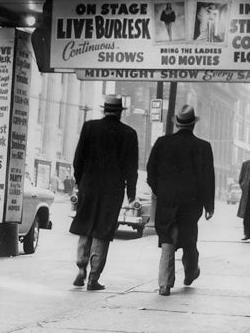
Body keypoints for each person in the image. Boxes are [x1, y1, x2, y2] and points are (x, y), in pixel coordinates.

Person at [69, 94, 139, 291]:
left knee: (85, 226)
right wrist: (131, 192)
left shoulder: (89, 128)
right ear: (120, 112)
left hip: (89, 186)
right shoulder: (129, 133)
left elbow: (78, 159)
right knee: (102, 230)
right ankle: (93, 277)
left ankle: (81, 267)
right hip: (112, 190)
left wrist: (81, 181)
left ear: (104, 109)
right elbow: (131, 168)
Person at [146, 105, 215, 296]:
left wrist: (160, 191)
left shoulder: (162, 143)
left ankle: (164, 284)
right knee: (189, 239)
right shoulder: (203, 147)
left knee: (167, 238)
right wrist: (209, 205)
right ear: (193, 124)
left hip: (167, 201)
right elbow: (208, 178)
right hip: (191, 204)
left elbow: (151, 172)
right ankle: (191, 272)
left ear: (177, 123)